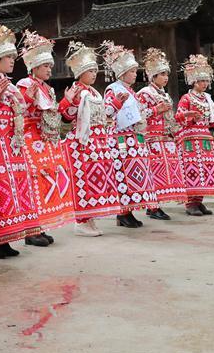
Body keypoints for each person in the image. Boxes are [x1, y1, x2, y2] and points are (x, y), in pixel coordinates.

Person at [0, 20, 41, 258]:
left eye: (13, 57)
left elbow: (19, 113)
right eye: (8, 57)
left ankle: (8, 238)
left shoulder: (11, 86)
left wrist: (29, 100)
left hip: (12, 144)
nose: (12, 61)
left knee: (14, 189)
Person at [16, 30, 75, 244]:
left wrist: (66, 102)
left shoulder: (47, 88)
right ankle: (31, 230)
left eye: (50, 66)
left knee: (47, 181)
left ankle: (40, 226)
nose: (50, 69)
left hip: (46, 140)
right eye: (45, 66)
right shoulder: (24, 84)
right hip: (31, 138)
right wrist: (27, 99)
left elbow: (53, 113)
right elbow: (20, 110)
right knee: (35, 180)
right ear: (34, 67)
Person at [58, 42, 120, 236]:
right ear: (81, 72)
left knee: (95, 179)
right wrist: (68, 100)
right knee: (83, 181)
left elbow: (103, 115)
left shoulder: (94, 92)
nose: (94, 74)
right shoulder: (77, 90)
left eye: (95, 70)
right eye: (91, 70)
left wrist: (117, 104)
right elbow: (67, 116)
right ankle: (81, 221)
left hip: (97, 142)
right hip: (82, 144)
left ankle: (90, 218)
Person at [101, 41, 159, 228]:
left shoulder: (131, 91)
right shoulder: (113, 89)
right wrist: (117, 103)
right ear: (122, 72)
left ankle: (129, 211)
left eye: (135, 71)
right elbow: (106, 113)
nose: (135, 74)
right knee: (123, 174)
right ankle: (123, 213)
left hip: (134, 137)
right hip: (120, 138)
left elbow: (140, 113)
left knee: (134, 175)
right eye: (132, 71)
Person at [135, 48, 187, 220]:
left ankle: (156, 205)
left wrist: (181, 120)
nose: (166, 77)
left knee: (163, 174)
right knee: (153, 173)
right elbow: (138, 116)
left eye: (166, 74)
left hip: (165, 138)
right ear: (153, 76)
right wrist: (156, 109)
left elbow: (170, 117)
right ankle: (153, 207)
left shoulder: (164, 94)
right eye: (162, 74)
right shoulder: (144, 94)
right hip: (151, 139)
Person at [176, 54, 214, 216]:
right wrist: (190, 117)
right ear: (194, 81)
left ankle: (199, 201)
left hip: (205, 138)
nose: (205, 84)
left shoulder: (207, 100)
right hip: (190, 140)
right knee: (192, 169)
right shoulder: (186, 98)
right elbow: (178, 117)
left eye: (206, 80)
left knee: (206, 169)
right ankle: (190, 203)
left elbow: (211, 122)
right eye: (201, 81)